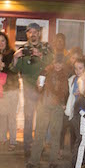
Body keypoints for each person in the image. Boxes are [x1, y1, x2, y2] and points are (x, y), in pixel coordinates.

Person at [11, 23, 53, 157]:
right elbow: (15, 70)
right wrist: (15, 57)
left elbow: (53, 66)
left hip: (44, 87)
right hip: (29, 87)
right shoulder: (23, 49)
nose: (33, 34)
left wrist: (40, 56)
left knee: (42, 118)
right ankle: (27, 148)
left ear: (39, 33)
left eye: (35, 32)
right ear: (27, 34)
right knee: (28, 118)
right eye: (30, 32)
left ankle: (39, 146)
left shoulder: (46, 47)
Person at [26, 54, 69, 168]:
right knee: (40, 132)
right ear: (52, 62)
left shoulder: (66, 75)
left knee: (56, 133)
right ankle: (33, 160)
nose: (58, 65)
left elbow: (67, 91)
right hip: (44, 104)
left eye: (60, 63)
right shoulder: (44, 72)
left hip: (58, 107)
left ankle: (53, 160)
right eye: (56, 62)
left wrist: (64, 103)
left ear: (63, 64)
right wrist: (39, 87)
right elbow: (38, 88)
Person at [0, 31, 18, 151]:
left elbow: (14, 70)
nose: (1, 43)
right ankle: (2, 139)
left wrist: (2, 65)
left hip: (12, 89)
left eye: (2, 40)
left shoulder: (12, 53)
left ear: (6, 41)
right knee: (1, 116)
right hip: (0, 90)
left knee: (11, 116)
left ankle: (13, 141)